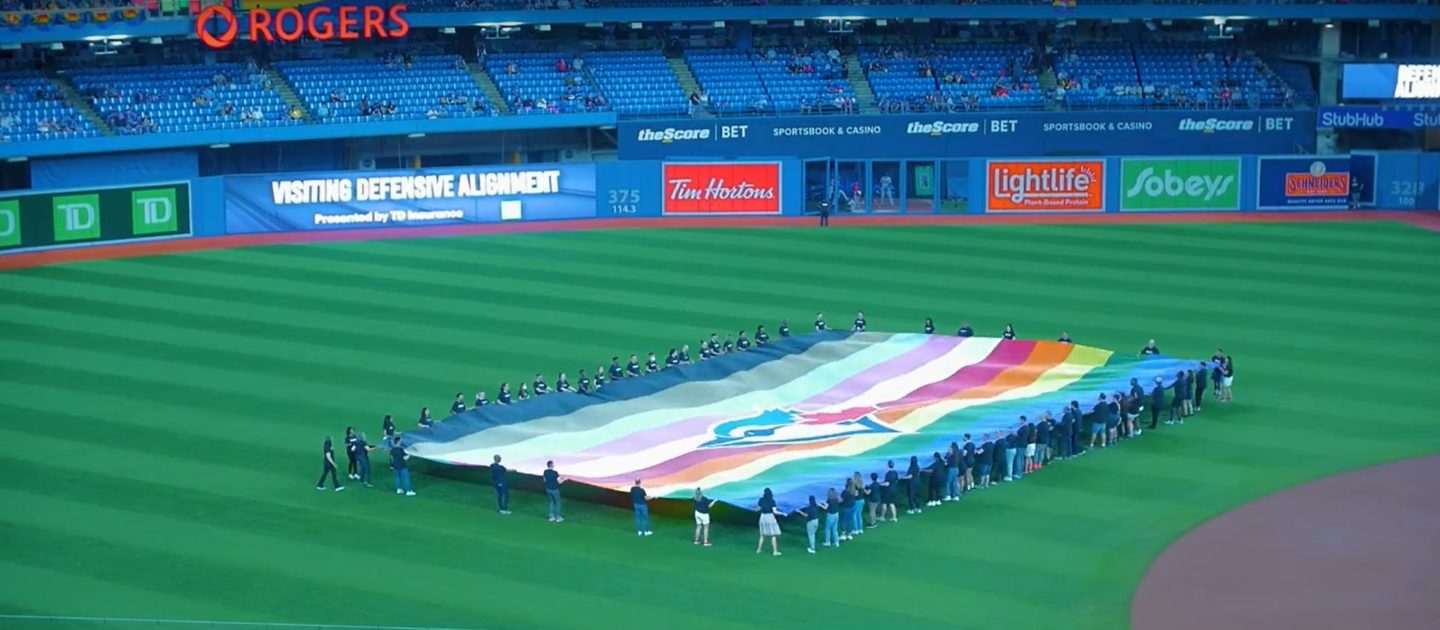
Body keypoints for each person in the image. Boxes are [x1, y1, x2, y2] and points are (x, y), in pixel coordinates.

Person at [756, 489, 785, 556]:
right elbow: (775, 512)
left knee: (762, 535)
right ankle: (775, 551)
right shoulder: (772, 501)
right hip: (770, 517)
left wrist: (754, 509)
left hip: (762, 517)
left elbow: (758, 508)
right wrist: (783, 513)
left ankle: (759, 549)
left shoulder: (761, 500)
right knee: (773, 535)